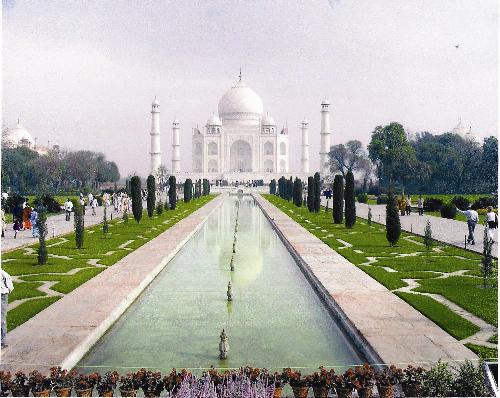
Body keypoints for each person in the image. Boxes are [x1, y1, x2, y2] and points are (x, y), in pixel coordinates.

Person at [0, 269, 13, 348]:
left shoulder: (2, 273)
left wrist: (7, 290)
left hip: (2, 294)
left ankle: (2, 342)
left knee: (1, 318)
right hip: (3, 293)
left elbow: (8, 280)